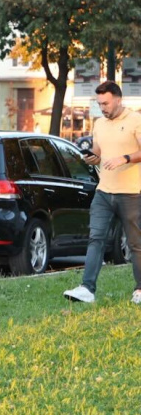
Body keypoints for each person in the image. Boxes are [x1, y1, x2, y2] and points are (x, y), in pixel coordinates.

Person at [64, 81, 141, 304]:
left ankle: (140, 289)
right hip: (104, 192)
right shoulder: (99, 124)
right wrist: (92, 157)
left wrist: (124, 158)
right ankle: (87, 289)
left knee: (136, 244)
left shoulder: (135, 119)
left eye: (106, 103)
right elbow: (99, 152)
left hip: (132, 193)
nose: (103, 108)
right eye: (99, 104)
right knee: (95, 238)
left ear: (118, 99)